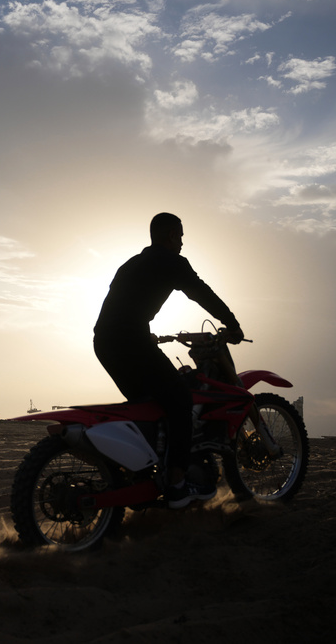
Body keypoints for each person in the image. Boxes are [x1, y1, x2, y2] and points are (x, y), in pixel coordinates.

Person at [93, 213, 243, 509]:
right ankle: (176, 483)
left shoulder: (132, 264)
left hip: (105, 343)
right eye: (181, 236)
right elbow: (201, 293)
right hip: (129, 341)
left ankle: (141, 475)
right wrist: (232, 324)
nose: (183, 242)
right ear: (172, 235)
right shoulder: (173, 262)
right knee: (179, 399)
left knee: (148, 405)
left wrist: (145, 335)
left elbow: (124, 305)